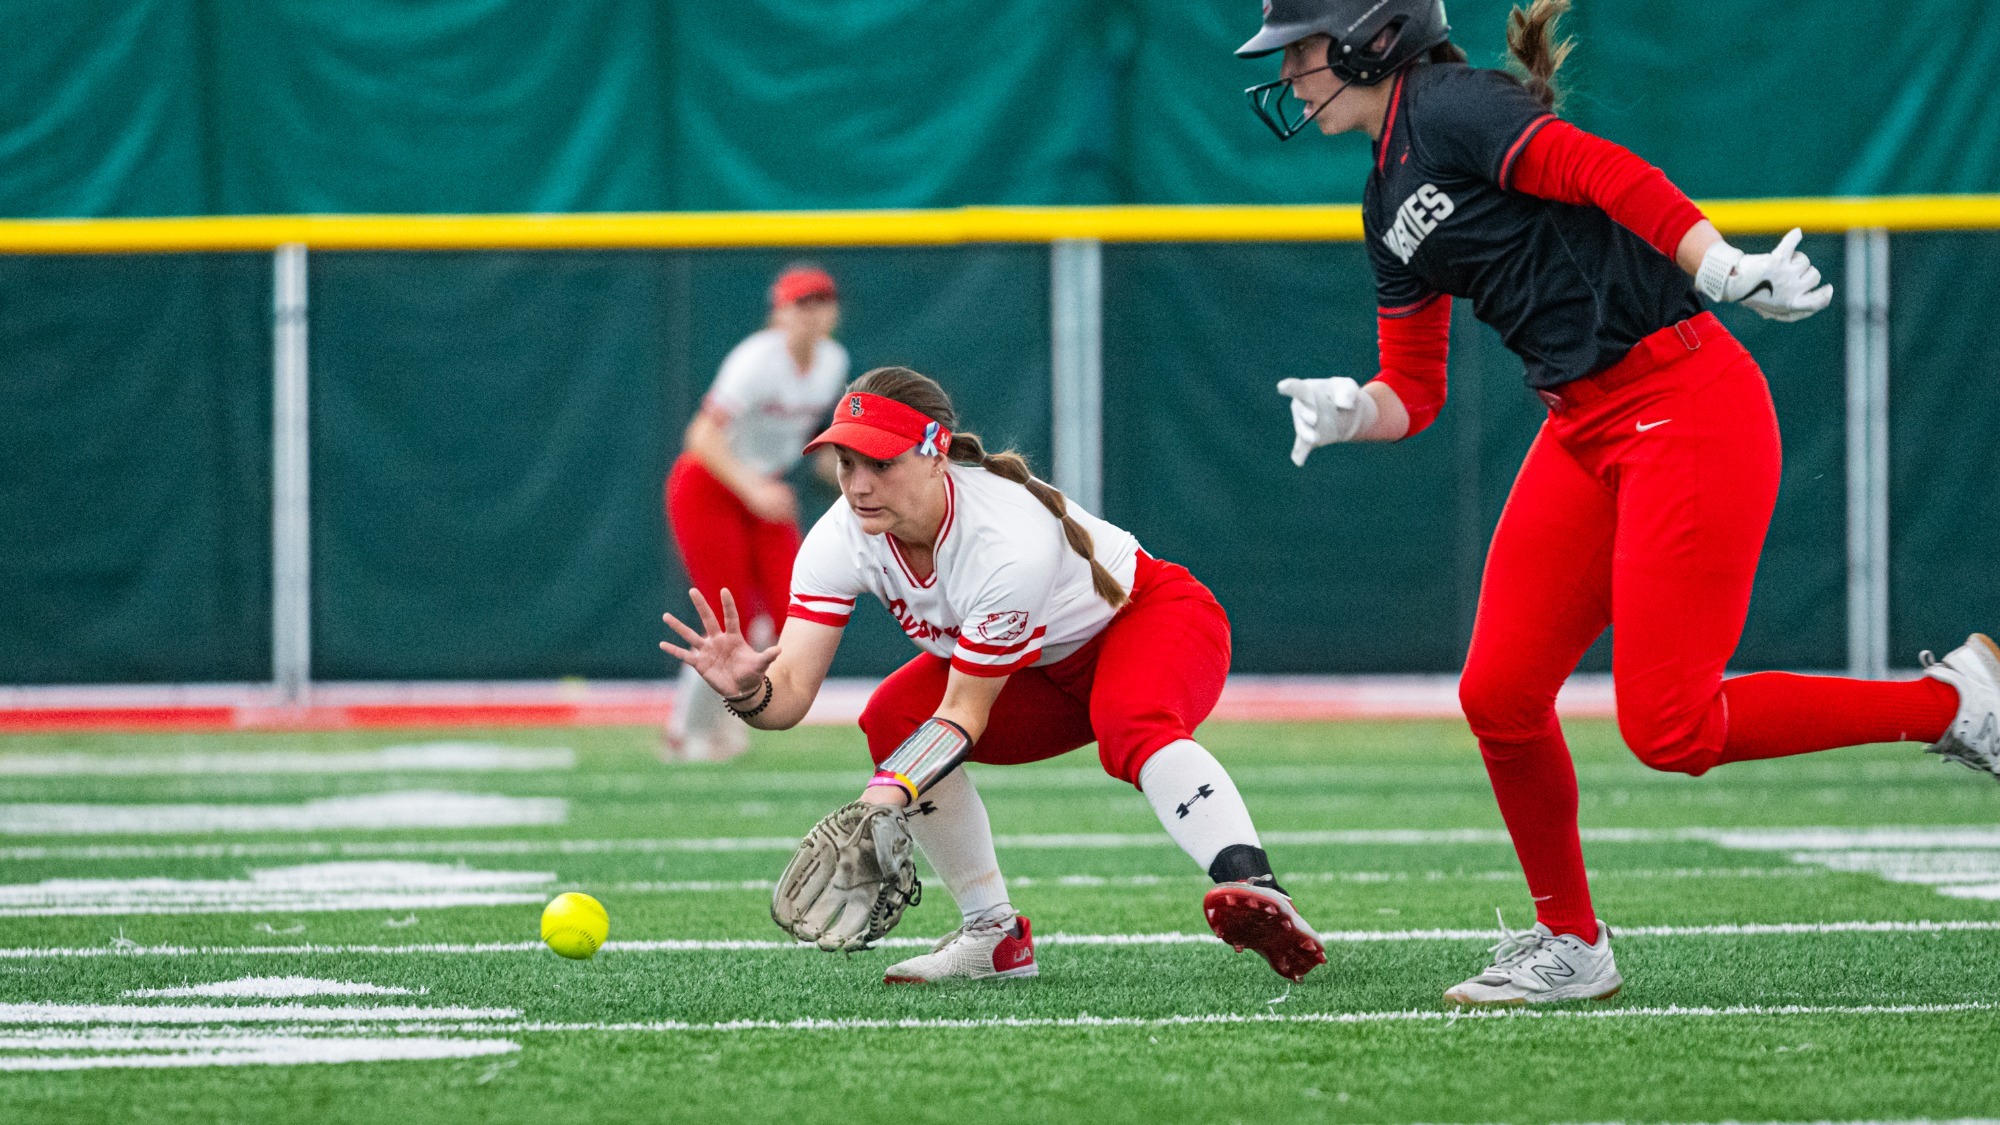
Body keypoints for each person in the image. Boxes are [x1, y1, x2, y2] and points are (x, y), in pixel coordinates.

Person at [1237, 0, 2000, 1005]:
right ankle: (1570, 944)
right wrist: (1350, 412)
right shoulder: (1382, 196)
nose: (1285, 75)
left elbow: (1601, 171)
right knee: (1498, 698)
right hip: (1584, 426)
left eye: (1294, 51)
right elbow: (1413, 392)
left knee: (1669, 727)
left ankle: (1949, 704)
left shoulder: (1452, 104)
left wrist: (1716, 262)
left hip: (1681, 401)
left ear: (1366, 39)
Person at [661, 366, 1327, 984]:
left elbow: (962, 715)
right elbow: (792, 696)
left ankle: (1260, 889)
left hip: (1149, 621)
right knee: (890, 716)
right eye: (846, 461)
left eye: (881, 462)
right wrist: (747, 691)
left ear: (934, 454)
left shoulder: (1005, 538)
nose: (859, 483)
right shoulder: (841, 536)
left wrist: (882, 798)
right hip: (1038, 668)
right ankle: (993, 935)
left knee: (1130, 723)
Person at [663, 264, 847, 761]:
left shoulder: (832, 361)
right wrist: (751, 488)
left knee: (796, 613)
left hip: (762, 488)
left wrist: (863, 474)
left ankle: (731, 717)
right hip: (709, 484)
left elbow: (813, 448)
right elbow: (701, 438)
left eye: (821, 302)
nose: (811, 314)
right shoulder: (755, 360)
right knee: (732, 620)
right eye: (800, 304)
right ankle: (685, 732)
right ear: (779, 313)